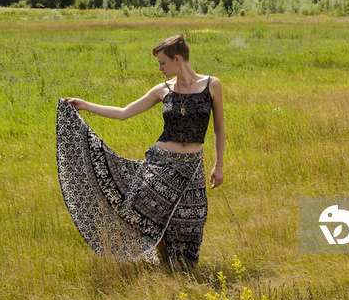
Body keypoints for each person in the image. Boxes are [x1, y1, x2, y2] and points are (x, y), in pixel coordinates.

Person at [56, 34, 225, 270]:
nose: (160, 68)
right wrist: (85, 105)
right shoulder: (162, 90)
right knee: (145, 211)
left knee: (190, 222)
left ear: (177, 59)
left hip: (193, 165)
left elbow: (218, 127)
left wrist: (219, 164)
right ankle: (165, 262)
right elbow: (124, 112)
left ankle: (180, 269)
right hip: (161, 163)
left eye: (162, 63)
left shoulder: (211, 85)